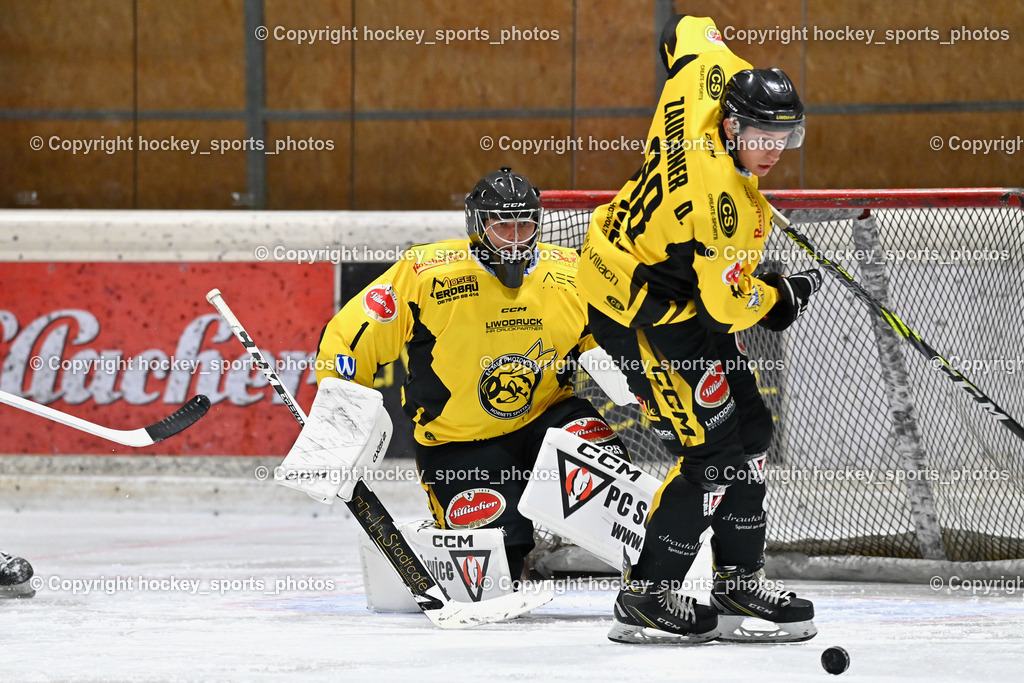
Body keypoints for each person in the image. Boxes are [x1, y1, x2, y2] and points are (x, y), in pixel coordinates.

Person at [577, 15, 821, 643]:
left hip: (668, 276)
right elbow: (725, 311)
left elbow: (683, 27)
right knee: (711, 454)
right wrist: (778, 297)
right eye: (762, 135)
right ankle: (648, 594)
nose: (771, 150)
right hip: (640, 308)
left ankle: (738, 581)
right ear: (734, 125)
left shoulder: (707, 76)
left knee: (753, 429)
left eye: (785, 137)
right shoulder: (724, 208)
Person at [315, 167, 630, 580]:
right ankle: (453, 539)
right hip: (459, 443)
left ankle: (649, 585)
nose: (516, 239)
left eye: (525, 225)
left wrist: (647, 382)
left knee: (614, 487)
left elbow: (618, 338)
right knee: (499, 568)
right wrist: (339, 420)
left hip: (546, 419)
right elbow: (352, 339)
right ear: (477, 225)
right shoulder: (426, 273)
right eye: (503, 227)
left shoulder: (570, 272)